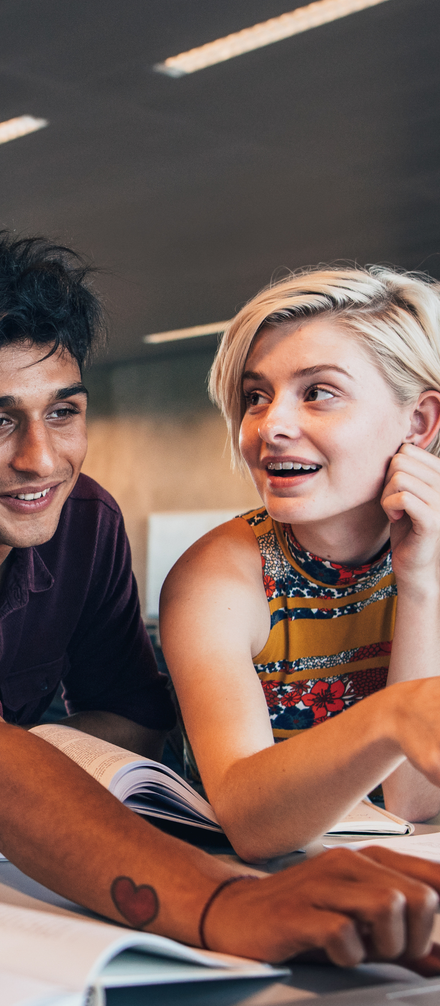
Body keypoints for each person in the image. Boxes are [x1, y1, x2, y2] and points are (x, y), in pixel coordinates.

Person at [0, 230, 440, 971]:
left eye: (63, 412)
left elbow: (132, 718)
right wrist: (224, 902)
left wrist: (22, 760)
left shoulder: (81, 523)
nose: (42, 459)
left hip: (3, 871)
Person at [160, 267, 440, 860]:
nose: (270, 427)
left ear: (419, 423)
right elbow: (249, 821)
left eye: (318, 392)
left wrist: (420, 586)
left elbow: (418, 806)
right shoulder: (217, 578)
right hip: (256, 889)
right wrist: (392, 716)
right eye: (256, 397)